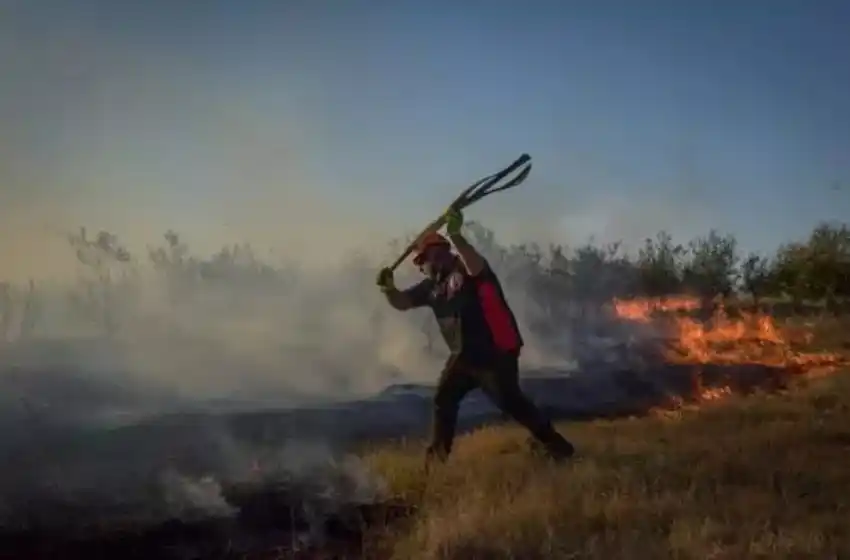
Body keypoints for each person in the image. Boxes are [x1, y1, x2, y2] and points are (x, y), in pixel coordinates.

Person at [375, 207, 575, 464]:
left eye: (427, 259)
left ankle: (558, 448)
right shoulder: (431, 288)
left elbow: (476, 266)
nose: (424, 266)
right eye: (422, 262)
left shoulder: (468, 271)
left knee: (513, 404)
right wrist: (389, 290)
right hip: (463, 356)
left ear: (442, 254)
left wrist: (457, 236)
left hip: (494, 353)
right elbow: (402, 302)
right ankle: (436, 460)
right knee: (443, 400)